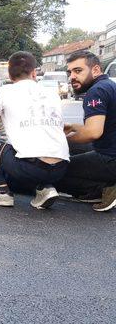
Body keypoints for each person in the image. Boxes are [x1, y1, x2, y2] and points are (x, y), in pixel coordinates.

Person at [0, 51, 69, 209]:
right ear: (34, 72)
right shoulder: (52, 94)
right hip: (61, 168)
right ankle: (44, 188)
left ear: (9, 74)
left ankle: (0, 192)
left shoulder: (5, 92)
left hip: (31, 167)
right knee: (28, 150)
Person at [55, 50, 116, 211]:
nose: (72, 77)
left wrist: (59, 140)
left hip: (110, 158)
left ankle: (103, 189)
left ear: (95, 70)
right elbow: (103, 126)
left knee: (51, 170)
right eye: (70, 72)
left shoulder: (97, 91)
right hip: (110, 150)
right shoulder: (110, 86)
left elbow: (92, 133)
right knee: (72, 150)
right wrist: (74, 127)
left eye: (78, 71)